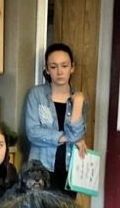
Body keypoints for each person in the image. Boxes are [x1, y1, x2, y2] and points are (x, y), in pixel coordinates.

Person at [25, 42, 88, 195]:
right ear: (47, 69)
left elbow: (78, 134)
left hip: (69, 169)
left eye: (64, 66)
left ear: (72, 67)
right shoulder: (36, 95)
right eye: (53, 67)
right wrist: (66, 137)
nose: (60, 72)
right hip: (40, 170)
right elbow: (33, 133)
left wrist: (78, 104)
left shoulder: (80, 100)